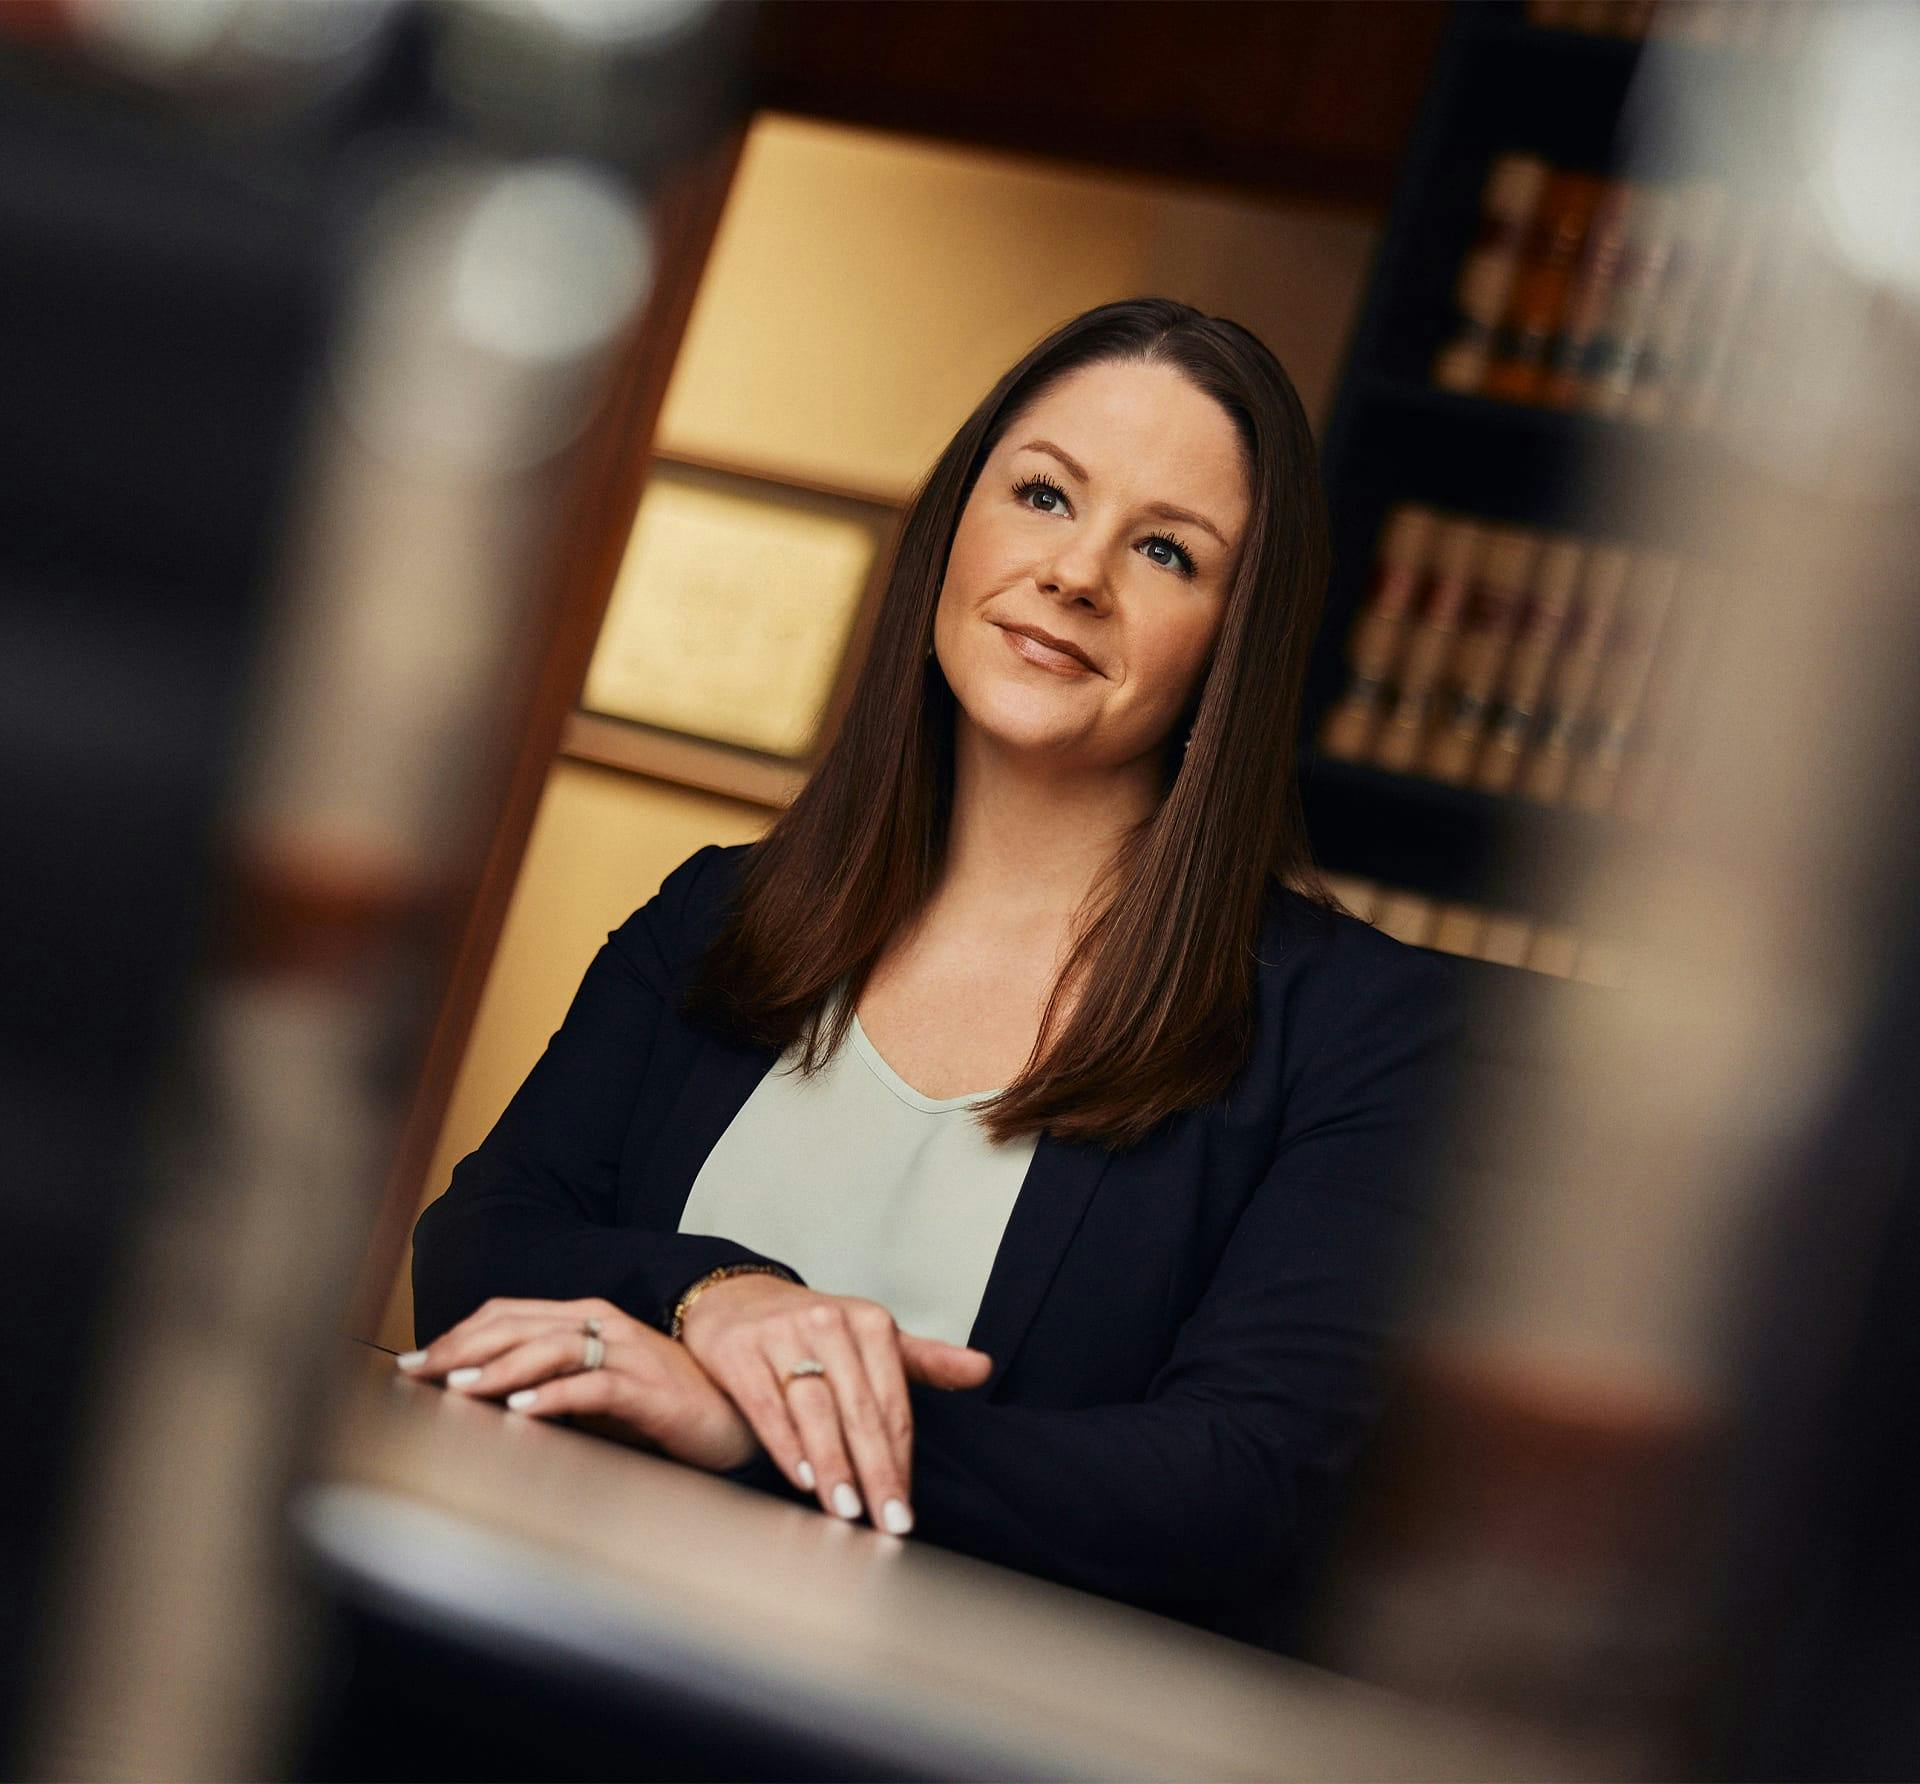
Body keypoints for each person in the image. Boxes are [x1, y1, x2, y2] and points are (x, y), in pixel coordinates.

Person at [402, 296, 1464, 1655]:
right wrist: (719, 1300)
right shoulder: (720, 909)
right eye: (1041, 494)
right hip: (541, 1662)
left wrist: (763, 1430)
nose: (1076, 574)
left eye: (1165, 550)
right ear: (957, 524)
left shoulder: (1356, 1029)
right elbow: (477, 1249)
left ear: (1234, 644)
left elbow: (1234, 1493)